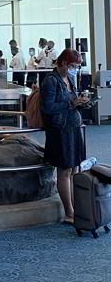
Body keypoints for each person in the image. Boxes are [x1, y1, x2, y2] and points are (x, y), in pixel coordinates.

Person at [40, 49, 86, 224]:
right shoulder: (51, 81)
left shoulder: (70, 79)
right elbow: (47, 108)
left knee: (74, 169)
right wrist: (71, 103)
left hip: (72, 127)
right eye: (73, 66)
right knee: (65, 170)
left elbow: (71, 102)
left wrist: (81, 103)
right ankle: (69, 212)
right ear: (64, 63)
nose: (75, 69)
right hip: (60, 130)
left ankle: (75, 208)